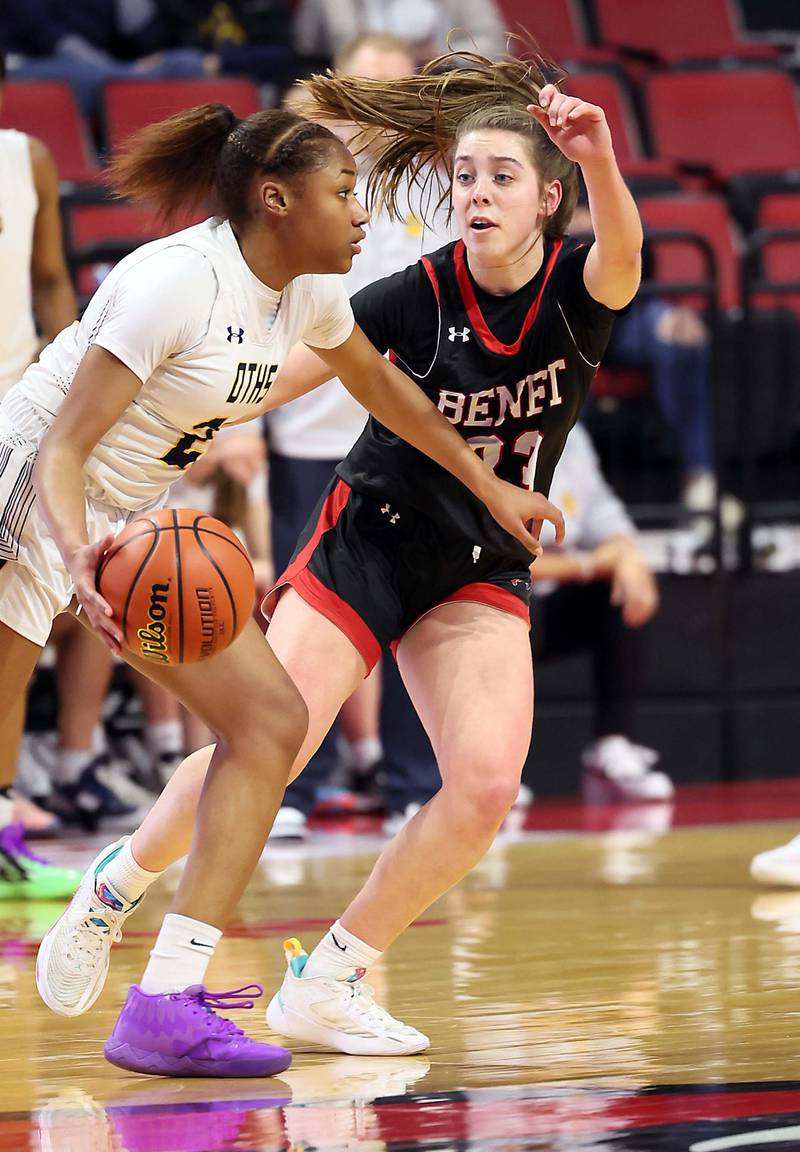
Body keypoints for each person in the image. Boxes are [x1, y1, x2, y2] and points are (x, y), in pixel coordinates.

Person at [37, 44, 638, 1062]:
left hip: (476, 563)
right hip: (370, 536)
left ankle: (333, 977)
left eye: (501, 178)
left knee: (486, 784)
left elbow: (622, 248)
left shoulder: (581, 292)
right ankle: (115, 885)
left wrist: (603, 157)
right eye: (462, 177)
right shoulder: (415, 291)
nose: (476, 193)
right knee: (272, 746)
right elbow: (295, 373)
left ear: (547, 201)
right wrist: (191, 410)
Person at [267, 32, 455, 840]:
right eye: (362, 86)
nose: (375, 105)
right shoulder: (293, 181)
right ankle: (284, 791)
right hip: (310, 428)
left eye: (392, 87)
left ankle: (420, 785)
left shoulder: (449, 180)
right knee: (300, 618)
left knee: (419, 610)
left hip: (410, 435)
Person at [0, 50, 86, 878]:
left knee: (16, 623)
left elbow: (53, 279)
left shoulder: (25, 158)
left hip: (15, 418)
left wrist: (65, 385)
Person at [528, 422, 672, 802]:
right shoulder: (488, 431)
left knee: (624, 586)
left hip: (554, 597)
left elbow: (603, 510)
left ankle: (612, 746)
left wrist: (626, 555)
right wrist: (590, 564)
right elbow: (501, 560)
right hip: (492, 603)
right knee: (516, 599)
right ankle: (486, 770)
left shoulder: (571, 433)